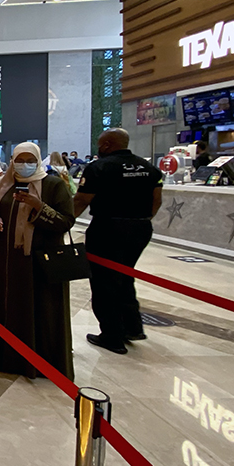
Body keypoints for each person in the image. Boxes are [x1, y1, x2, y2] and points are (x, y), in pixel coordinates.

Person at [0, 142, 76, 380]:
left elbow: (66, 221)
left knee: (37, 309)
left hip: (37, 261)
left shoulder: (52, 185)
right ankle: (0, 355)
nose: (24, 165)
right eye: (19, 160)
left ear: (38, 160)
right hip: (2, 259)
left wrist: (38, 206)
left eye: (29, 160)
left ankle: (34, 360)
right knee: (3, 304)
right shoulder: (2, 185)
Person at [73, 128, 163, 355]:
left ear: (106, 145)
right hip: (140, 228)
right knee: (125, 275)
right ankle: (133, 327)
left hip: (108, 228)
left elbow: (81, 200)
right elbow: (157, 200)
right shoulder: (149, 168)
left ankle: (112, 335)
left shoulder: (99, 167)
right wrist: (142, 220)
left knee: (104, 281)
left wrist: (64, 221)